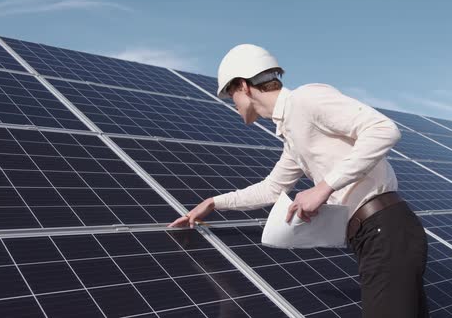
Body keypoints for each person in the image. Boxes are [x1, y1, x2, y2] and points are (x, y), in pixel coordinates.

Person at [169, 44, 429, 318]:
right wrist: (213, 203)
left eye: (230, 94)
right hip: (373, 235)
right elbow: (271, 190)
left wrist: (324, 187)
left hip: (386, 229)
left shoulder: (307, 99)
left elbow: (384, 130)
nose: (232, 104)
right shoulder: (292, 134)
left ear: (244, 86)